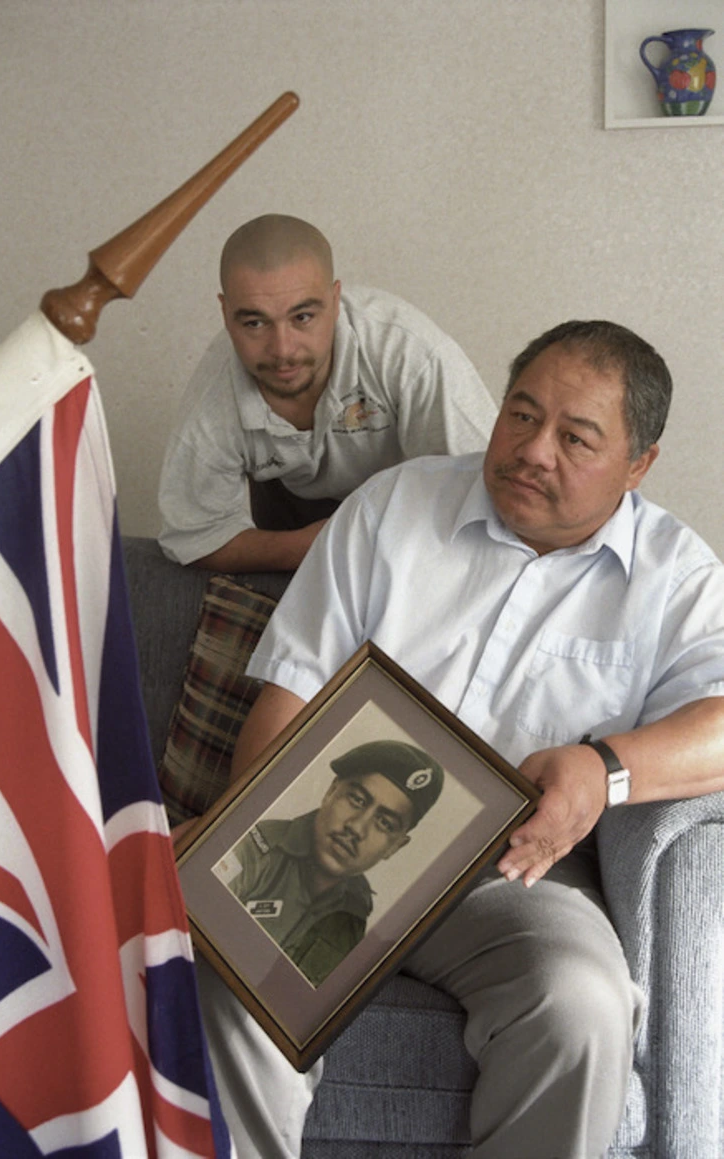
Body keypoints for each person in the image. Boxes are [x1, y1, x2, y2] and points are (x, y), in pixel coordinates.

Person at [194, 319, 724, 1159]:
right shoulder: (392, 507)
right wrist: (242, 836)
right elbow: (289, 692)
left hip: (511, 874)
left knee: (582, 998)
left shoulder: (676, 577)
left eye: (575, 437)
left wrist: (604, 769)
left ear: (638, 465)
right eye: (522, 413)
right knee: (232, 956)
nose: (533, 449)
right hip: (328, 848)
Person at [157, 214, 497, 572]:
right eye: (255, 323)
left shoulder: (409, 353)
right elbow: (192, 538)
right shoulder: (214, 397)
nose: (283, 349)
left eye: (302, 317)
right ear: (226, 314)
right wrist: (326, 544)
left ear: (336, 300)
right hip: (292, 523)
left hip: (408, 514)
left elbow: (484, 491)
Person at [214, 739, 444, 986]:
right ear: (331, 791)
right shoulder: (255, 850)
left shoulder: (356, 912)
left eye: (385, 824)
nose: (356, 827)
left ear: (395, 846)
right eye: (357, 799)